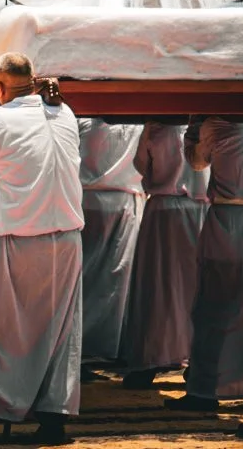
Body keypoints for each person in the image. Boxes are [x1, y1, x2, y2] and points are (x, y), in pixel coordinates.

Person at [0, 54, 83, 448]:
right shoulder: (66, 112)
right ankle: (53, 418)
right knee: (57, 330)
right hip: (66, 239)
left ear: (1, 87)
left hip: (14, 237)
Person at [167, 113, 243, 412]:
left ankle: (206, 389)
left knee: (214, 307)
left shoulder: (214, 125)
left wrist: (193, 130)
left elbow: (196, 163)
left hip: (228, 221)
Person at [117, 122, 209, 388]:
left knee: (157, 289)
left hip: (163, 210)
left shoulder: (156, 128)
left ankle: (149, 361)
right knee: (196, 287)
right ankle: (197, 360)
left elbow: (140, 165)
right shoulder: (207, 125)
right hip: (197, 210)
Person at [76, 117, 145, 365]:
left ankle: (87, 345)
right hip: (121, 201)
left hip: (90, 201)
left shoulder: (82, 120)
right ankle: (106, 345)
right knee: (117, 277)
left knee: (88, 276)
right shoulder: (139, 122)